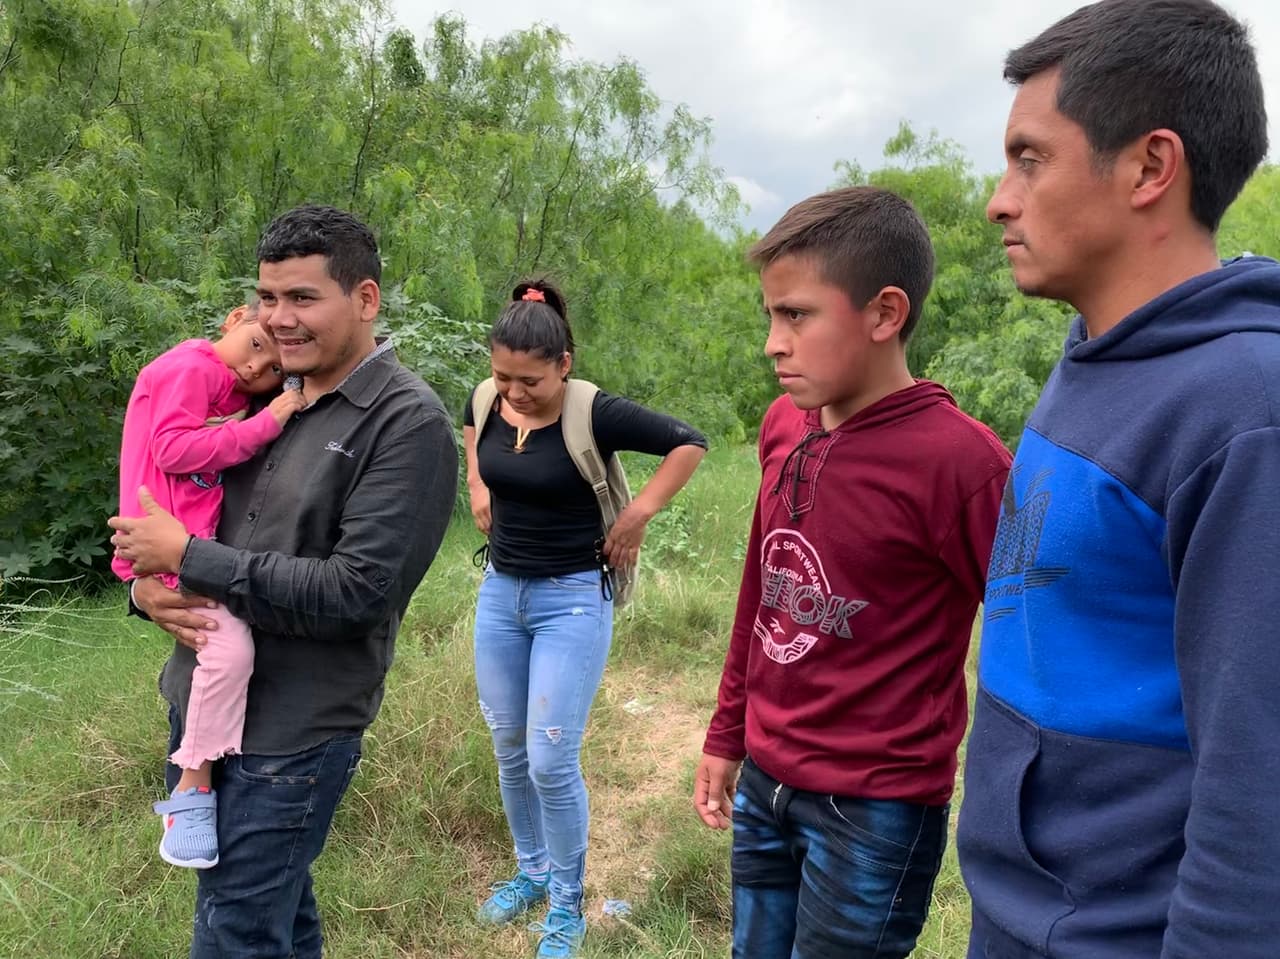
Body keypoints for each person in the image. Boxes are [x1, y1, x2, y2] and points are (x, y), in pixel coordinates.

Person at [956, 2, 1280, 957]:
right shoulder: (1095, 354)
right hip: (1022, 910)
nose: (1000, 200)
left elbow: (1257, 779)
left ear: (1149, 167)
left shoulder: (1244, 411)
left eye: (1030, 159)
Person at [109, 204, 458, 958]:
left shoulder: (407, 424)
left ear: (365, 299)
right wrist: (144, 590)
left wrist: (190, 557)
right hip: (201, 701)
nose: (280, 318)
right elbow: (174, 504)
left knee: (234, 931)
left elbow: (357, 593)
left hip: (294, 732)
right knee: (277, 916)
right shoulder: (258, 396)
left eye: (303, 297)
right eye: (268, 297)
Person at [693, 186, 1012, 959]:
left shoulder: (962, 464)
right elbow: (761, 594)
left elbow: (1025, 644)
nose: (773, 343)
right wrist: (728, 731)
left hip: (875, 808)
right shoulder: (783, 425)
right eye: (770, 315)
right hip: (766, 777)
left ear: (884, 313)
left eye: (796, 315)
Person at [463, 279, 707, 958]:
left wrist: (638, 514)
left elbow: (689, 443)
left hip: (571, 597)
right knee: (509, 744)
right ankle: (532, 873)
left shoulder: (592, 411)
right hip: (501, 593)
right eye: (503, 376)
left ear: (563, 364)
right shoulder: (486, 398)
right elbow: (471, 427)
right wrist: (477, 482)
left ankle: (567, 905)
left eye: (530, 381)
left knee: (549, 756)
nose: (514, 392)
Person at [112, 298, 306, 868]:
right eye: (256, 346)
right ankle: (191, 789)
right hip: (171, 555)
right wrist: (266, 422)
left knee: (221, 655)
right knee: (229, 654)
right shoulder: (191, 368)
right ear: (235, 318)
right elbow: (172, 451)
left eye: (273, 370)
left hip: (177, 552)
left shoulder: (219, 387)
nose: (255, 368)